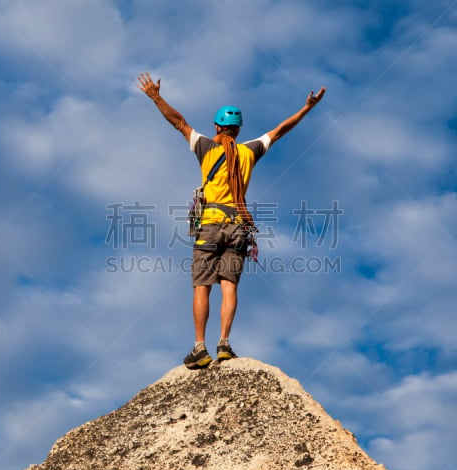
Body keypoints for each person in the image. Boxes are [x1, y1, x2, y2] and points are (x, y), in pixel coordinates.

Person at [137, 72, 325, 369]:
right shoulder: (248, 151)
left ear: (217, 127)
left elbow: (179, 122)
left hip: (210, 224)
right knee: (229, 287)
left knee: (202, 286)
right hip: (238, 226)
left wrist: (156, 97)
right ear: (238, 130)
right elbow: (279, 131)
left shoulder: (206, 148)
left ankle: (200, 347)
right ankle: (224, 343)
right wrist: (306, 109)